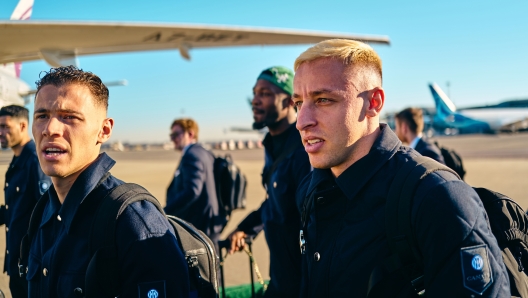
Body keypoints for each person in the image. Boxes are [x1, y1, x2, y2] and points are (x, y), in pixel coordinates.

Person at [293, 39, 509, 297]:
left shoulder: (438, 198)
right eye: (298, 103)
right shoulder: (313, 189)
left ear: (373, 103)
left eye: (324, 100)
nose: (302, 121)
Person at [26, 66, 189, 297]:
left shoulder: (133, 224)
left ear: (104, 130)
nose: (50, 129)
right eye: (42, 116)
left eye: (69, 117)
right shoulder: (42, 214)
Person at [227, 66, 311, 297]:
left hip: (304, 281)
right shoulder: (272, 146)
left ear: (289, 102)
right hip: (281, 277)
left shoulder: (306, 149)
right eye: (255, 93)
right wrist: (245, 229)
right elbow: (275, 202)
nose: (255, 100)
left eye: (265, 94)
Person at [0, 105, 50, 298]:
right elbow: (17, 210)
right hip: (17, 262)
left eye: (5, 127)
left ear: (22, 126)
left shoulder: (34, 160)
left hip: (32, 266)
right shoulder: (17, 159)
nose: (1, 132)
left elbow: (48, 211)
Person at [165, 118, 224, 250]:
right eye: (171, 135)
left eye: (176, 134)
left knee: (204, 269)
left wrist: (165, 212)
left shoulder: (191, 155)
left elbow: (192, 190)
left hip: (199, 226)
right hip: (209, 222)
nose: (173, 139)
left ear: (190, 134)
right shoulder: (204, 152)